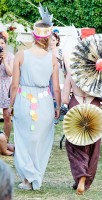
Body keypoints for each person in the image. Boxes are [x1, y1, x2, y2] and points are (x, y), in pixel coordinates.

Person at [9, 14, 61, 190]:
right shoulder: (53, 58)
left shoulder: (21, 55)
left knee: (23, 139)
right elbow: (56, 88)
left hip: (24, 100)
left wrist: (11, 105)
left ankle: (28, 178)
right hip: (44, 102)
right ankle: (34, 176)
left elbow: (14, 85)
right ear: (47, 37)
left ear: (33, 35)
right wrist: (58, 106)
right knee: (40, 141)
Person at [62, 71, 102, 195]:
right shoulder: (99, 72)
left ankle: (80, 175)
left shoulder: (72, 72)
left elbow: (64, 99)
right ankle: (85, 178)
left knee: (74, 143)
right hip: (93, 106)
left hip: (76, 105)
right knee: (93, 144)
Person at [0, 31, 14, 143]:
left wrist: (4, 60)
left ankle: (6, 141)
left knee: (7, 115)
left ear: (5, 44)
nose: (0, 45)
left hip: (6, 88)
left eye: (2, 43)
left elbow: (10, 73)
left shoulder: (10, 57)